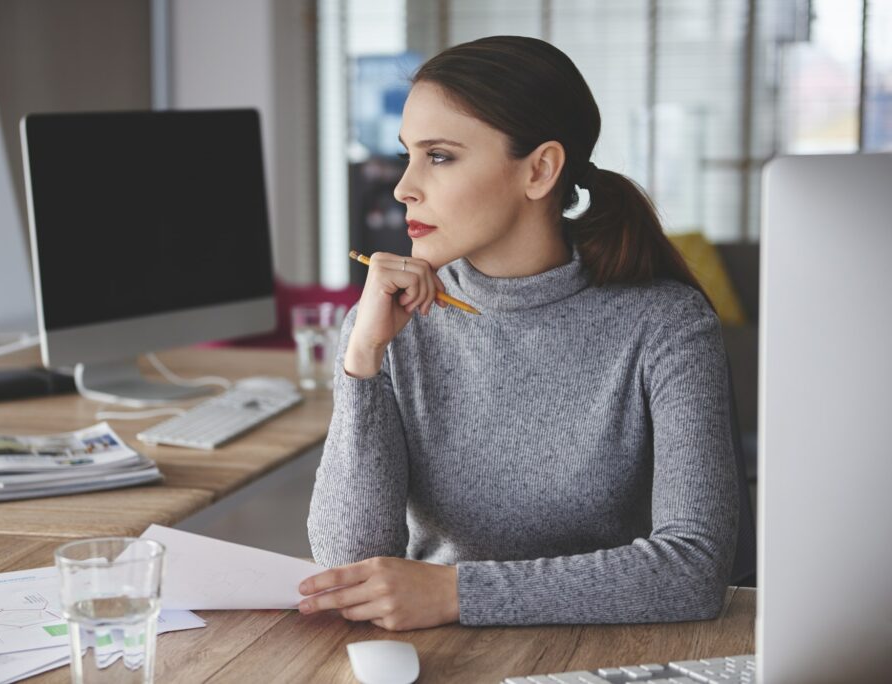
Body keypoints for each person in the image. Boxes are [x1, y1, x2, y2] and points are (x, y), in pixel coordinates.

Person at [299, 35, 738, 631]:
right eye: (407, 154)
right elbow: (350, 567)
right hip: (439, 660)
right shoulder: (388, 326)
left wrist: (457, 593)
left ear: (540, 170)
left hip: (612, 658)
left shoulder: (667, 326)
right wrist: (363, 358)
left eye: (440, 156)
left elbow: (695, 568)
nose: (404, 187)